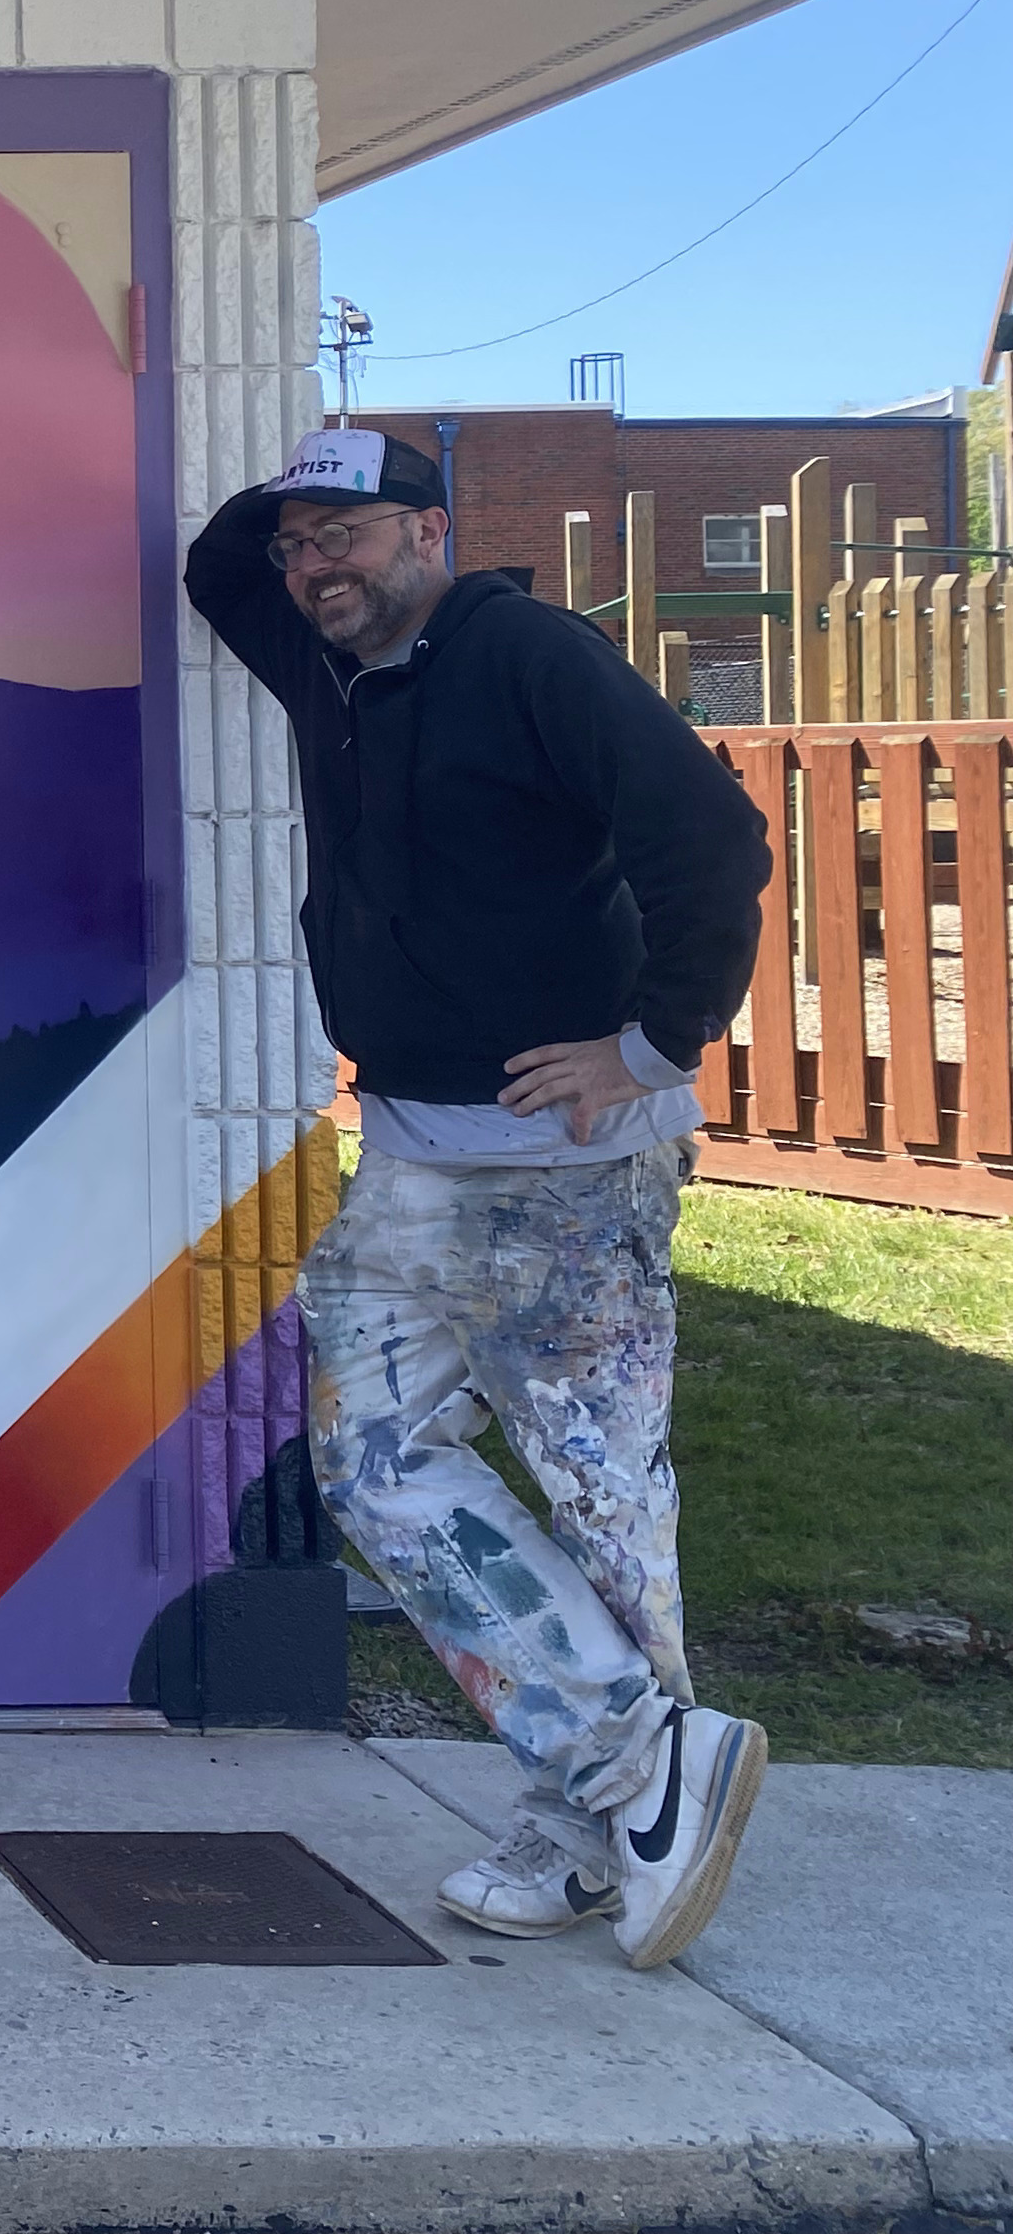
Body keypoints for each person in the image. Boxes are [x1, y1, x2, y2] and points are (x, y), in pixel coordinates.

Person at [187, 425, 776, 1969]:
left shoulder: (528, 656)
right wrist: (302, 495)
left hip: (565, 1171)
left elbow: (713, 836)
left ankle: (598, 1824)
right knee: (374, 1464)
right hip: (415, 1156)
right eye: (299, 546)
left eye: (349, 533)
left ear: (434, 532)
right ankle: (633, 1770)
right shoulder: (330, 665)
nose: (313, 565)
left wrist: (647, 1047)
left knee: (598, 1494)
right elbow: (216, 564)